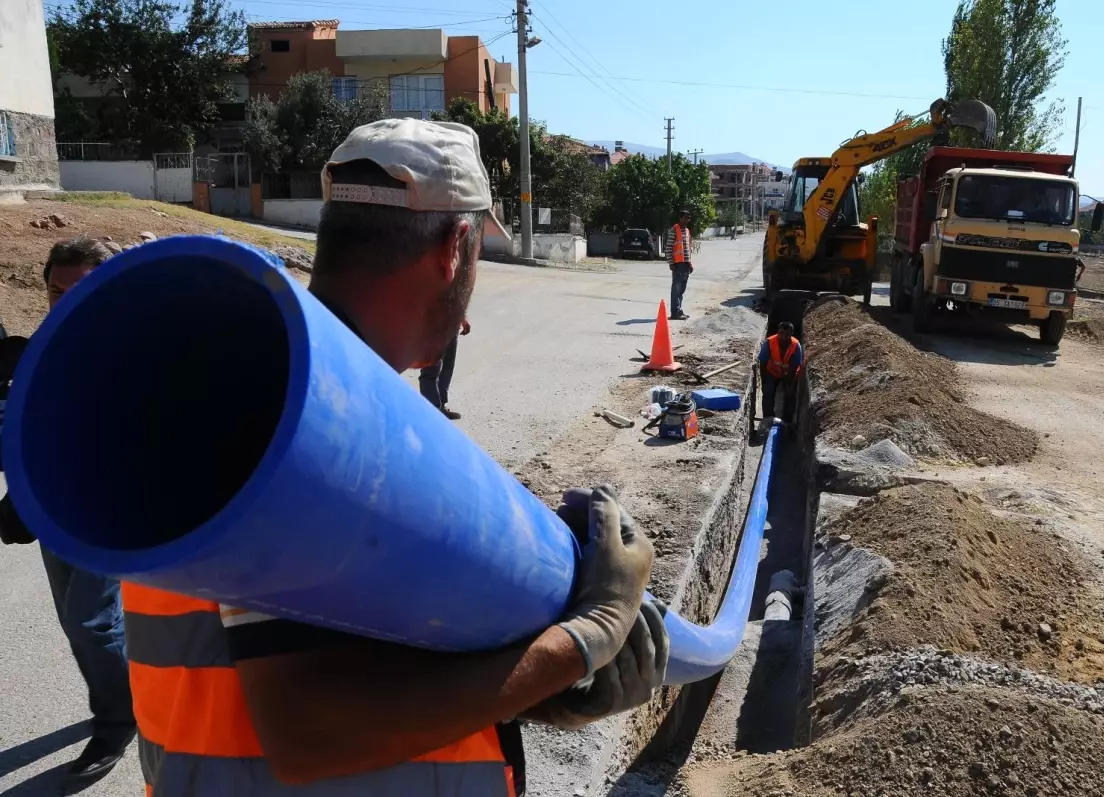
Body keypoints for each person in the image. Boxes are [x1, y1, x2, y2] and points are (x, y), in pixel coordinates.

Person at [121, 118, 668, 797]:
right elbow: (308, 730)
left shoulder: (321, 408)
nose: (467, 317)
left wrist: (547, 686)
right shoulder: (309, 421)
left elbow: (365, 651)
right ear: (456, 247)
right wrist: (590, 635)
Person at [0, 238, 137, 784]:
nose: (63, 303)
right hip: (52, 506)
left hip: (112, 509)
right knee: (78, 619)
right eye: (55, 291)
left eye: (77, 292)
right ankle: (128, 693)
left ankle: (117, 720)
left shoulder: (136, 349)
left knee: (90, 621)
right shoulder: (32, 353)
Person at [419, 317, 470, 419]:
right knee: (430, 370)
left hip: (451, 326)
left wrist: (462, 318)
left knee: (447, 366)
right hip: (433, 326)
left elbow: (454, 300)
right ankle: (433, 411)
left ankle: (440, 406)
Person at [758, 320, 804, 422]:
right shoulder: (769, 342)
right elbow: (763, 363)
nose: (783, 337)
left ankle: (786, 422)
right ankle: (768, 419)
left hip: (788, 374)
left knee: (790, 395)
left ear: (791, 334)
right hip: (772, 372)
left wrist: (789, 383)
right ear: (777, 332)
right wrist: (764, 380)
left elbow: (794, 366)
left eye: (787, 335)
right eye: (781, 334)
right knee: (768, 392)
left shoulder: (796, 346)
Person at [665, 209, 693, 320]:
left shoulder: (686, 230)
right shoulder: (674, 229)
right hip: (677, 264)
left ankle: (679, 310)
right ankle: (674, 313)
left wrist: (690, 263)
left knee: (681, 290)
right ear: (680, 218)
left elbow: (688, 249)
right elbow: (668, 247)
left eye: (688, 218)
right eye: (685, 217)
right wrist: (671, 263)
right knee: (676, 289)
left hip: (685, 264)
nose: (687, 220)